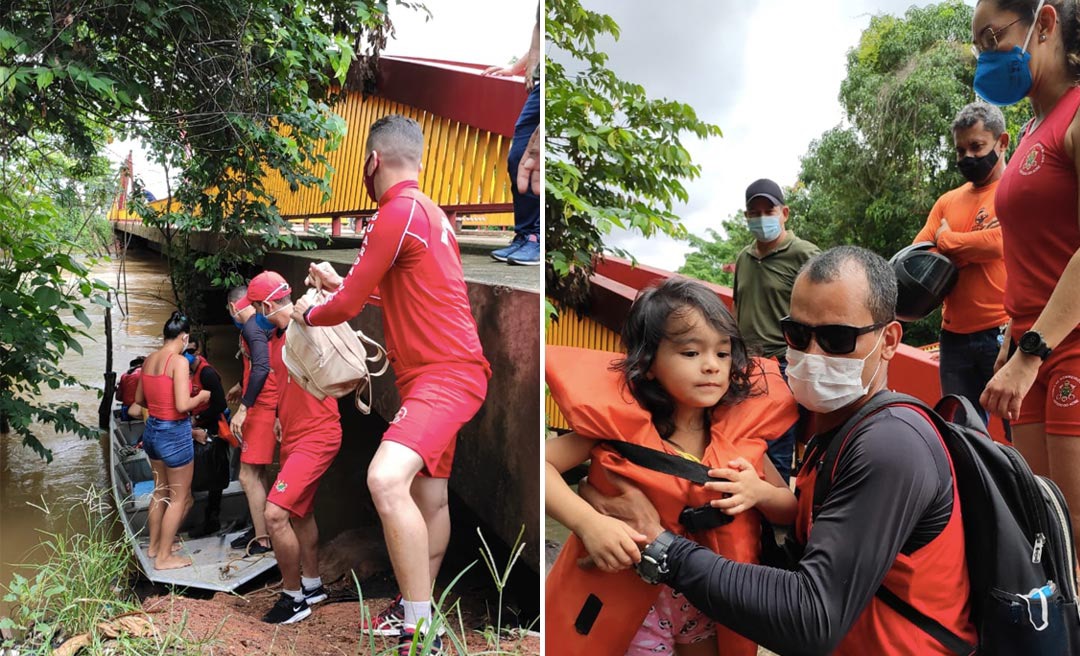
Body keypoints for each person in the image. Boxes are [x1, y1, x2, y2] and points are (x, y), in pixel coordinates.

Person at [588, 247, 975, 654]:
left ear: (889, 341)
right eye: (798, 335)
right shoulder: (835, 432)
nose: (812, 355)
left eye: (836, 339)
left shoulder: (891, 445)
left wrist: (661, 544)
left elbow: (811, 619)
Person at [296, 114, 490, 653]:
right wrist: (343, 283)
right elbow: (396, 291)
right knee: (431, 495)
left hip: (442, 377)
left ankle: (419, 625)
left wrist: (303, 316)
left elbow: (350, 305)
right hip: (451, 372)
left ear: (372, 161)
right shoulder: (428, 213)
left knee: (385, 480)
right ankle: (414, 607)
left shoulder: (394, 212)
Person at [544, 277, 798, 656]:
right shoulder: (616, 427)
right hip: (632, 602)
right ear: (648, 364)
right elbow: (542, 466)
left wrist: (758, 492)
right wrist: (588, 523)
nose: (711, 366)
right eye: (691, 353)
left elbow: (788, 508)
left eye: (722, 353)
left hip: (706, 600)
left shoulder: (743, 435)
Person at [974, 0, 1080, 553]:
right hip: (1032, 351)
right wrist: (1014, 339)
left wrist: (1033, 349)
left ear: (1043, 22)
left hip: (1067, 347)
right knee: (1051, 542)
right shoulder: (1034, 129)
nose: (985, 58)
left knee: (1077, 540)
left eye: (992, 38)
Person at [912, 102, 1010, 430]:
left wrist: (950, 242)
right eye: (960, 149)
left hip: (1004, 332)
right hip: (953, 338)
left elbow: (1001, 243)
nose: (968, 156)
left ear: (1002, 142)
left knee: (1020, 428)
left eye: (977, 146)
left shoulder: (1015, 192)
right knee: (961, 435)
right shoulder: (947, 201)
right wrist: (972, 246)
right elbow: (919, 258)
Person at [246, 271, 335, 625]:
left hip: (317, 434)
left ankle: (293, 597)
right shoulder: (279, 337)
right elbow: (286, 385)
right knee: (301, 512)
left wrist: (311, 303)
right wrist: (281, 417)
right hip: (296, 433)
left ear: (266, 304)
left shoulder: (303, 324)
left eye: (256, 308)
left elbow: (327, 323)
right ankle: (312, 586)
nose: (255, 316)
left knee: (274, 515)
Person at [733, 178, 820, 481]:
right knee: (743, 442)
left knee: (777, 445)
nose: (760, 218)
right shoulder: (744, 258)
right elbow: (738, 306)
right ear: (746, 217)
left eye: (767, 210)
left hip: (783, 363)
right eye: (753, 212)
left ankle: (774, 522)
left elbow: (823, 307)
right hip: (745, 364)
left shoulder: (804, 254)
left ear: (784, 213)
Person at [132, 311, 211, 571]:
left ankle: (154, 546)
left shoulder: (149, 360)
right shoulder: (178, 362)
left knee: (160, 491)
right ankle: (164, 558)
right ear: (185, 337)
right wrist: (201, 398)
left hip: (152, 431)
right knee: (179, 497)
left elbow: (140, 401)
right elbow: (182, 404)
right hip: (174, 433)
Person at [483, 2, 541, 266]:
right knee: (518, 158)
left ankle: (536, 238)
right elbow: (539, 38)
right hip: (536, 88)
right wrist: (514, 69)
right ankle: (525, 233)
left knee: (537, 161)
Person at [225, 285, 277, 554]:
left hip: (262, 406)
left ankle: (264, 540)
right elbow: (261, 362)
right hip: (264, 401)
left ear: (234, 307)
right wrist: (240, 385)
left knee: (246, 475)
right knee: (257, 471)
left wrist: (244, 407)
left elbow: (262, 367)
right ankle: (264, 529)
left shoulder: (251, 328)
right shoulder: (261, 323)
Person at [184, 341, 232, 539]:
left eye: (190, 351)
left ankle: (212, 518)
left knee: (214, 474)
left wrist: (199, 420)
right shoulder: (186, 371)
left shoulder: (207, 374)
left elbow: (220, 404)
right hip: (197, 425)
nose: (187, 355)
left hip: (211, 427)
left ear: (198, 351)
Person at [118, 356, 145, 421]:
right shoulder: (144, 373)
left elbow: (118, 398)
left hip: (125, 410)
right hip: (138, 411)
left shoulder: (124, 375)